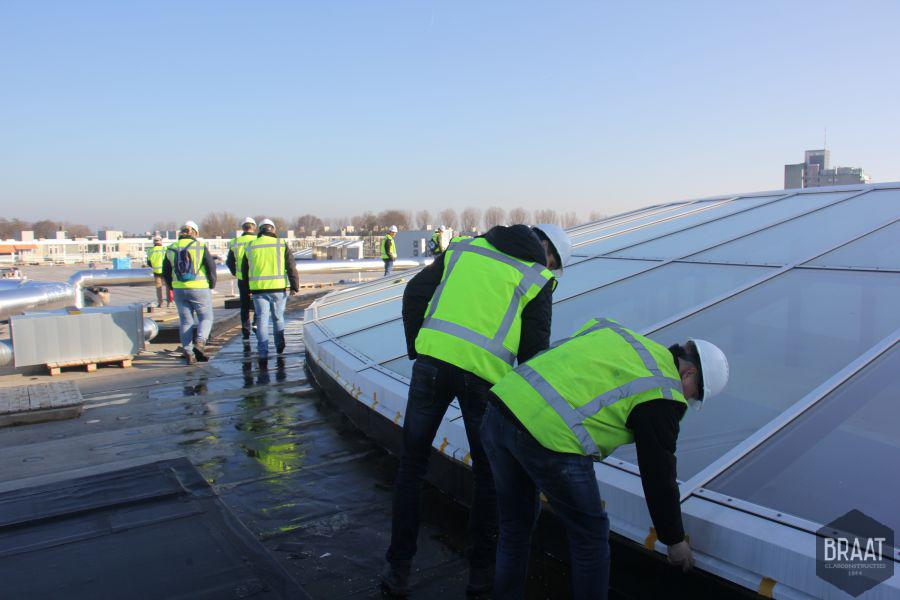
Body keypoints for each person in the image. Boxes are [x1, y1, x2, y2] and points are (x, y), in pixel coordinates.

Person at [381, 223, 573, 597]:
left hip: (431, 365)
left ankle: (397, 569)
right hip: (482, 382)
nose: (548, 266)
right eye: (552, 260)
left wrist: (419, 348)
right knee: (487, 475)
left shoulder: (464, 249)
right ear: (545, 247)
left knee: (411, 466)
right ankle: (481, 573)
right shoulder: (537, 278)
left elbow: (414, 292)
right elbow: (534, 355)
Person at [482, 318, 730, 599]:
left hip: (500, 406)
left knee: (515, 526)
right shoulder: (664, 391)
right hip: (548, 436)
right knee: (590, 538)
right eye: (693, 394)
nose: (686, 400)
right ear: (688, 374)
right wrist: (674, 540)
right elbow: (658, 474)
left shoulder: (617, 334)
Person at [241, 218, 299, 370]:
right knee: (278, 318)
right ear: (273, 229)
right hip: (278, 290)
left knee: (261, 321)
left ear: (259, 230)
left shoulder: (251, 246)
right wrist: (295, 286)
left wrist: (246, 290)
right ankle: (280, 346)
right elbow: (291, 266)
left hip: (259, 291)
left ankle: (263, 353)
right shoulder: (281, 244)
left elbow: (244, 271)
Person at [162, 221, 217, 365]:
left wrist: (172, 287)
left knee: (186, 321)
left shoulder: (171, 248)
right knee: (206, 317)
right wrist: (212, 284)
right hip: (199, 288)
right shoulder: (199, 247)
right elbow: (211, 268)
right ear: (195, 233)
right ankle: (200, 342)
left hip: (179, 289)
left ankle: (188, 351)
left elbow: (165, 272)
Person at [226, 217, 258, 346]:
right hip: (256, 278)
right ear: (254, 227)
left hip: (242, 279)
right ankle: (256, 324)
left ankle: (246, 332)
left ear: (243, 228)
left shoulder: (235, 242)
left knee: (244, 306)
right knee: (258, 303)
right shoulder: (257, 241)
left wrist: (236, 272)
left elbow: (229, 261)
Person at [145, 236, 167, 307]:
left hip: (156, 271)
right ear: (161, 242)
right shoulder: (165, 249)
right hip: (165, 270)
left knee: (158, 287)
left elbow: (149, 262)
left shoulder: (150, 251)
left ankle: (160, 303)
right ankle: (170, 302)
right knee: (168, 286)